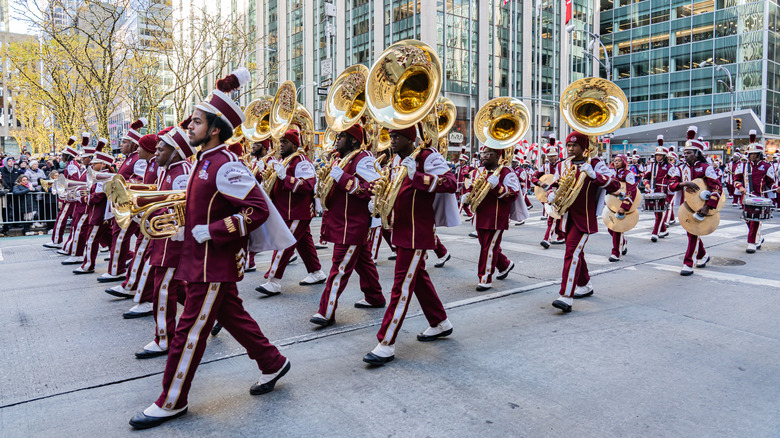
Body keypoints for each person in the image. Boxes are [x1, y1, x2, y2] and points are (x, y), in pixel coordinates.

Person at [130, 68, 291, 429]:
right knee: (232, 316)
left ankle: (172, 400)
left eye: (197, 121)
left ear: (215, 129)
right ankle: (273, 362)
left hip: (212, 264)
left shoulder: (224, 165)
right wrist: (181, 227)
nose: (189, 125)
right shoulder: (203, 161)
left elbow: (257, 210)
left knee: (188, 333)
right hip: (200, 260)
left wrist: (214, 230)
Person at [362, 124, 460, 366]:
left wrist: (417, 176)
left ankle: (386, 343)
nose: (392, 141)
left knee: (401, 287)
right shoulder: (396, 160)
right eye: (391, 136)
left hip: (417, 233)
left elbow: (451, 183)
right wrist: (378, 200)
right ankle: (440, 322)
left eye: (396, 136)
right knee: (418, 280)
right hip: (402, 230)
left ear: (410, 139)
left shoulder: (427, 156)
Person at [310, 124, 386, 326]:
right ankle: (375, 297)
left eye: (341, 136)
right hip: (342, 222)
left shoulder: (364, 159)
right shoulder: (342, 159)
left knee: (340, 268)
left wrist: (343, 178)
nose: (337, 140)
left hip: (352, 224)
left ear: (353, 140)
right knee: (363, 262)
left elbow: (374, 189)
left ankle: (326, 311)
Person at [134, 126, 194, 359]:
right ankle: (213, 315)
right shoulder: (168, 169)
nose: (156, 152)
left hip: (174, 238)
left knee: (163, 288)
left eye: (161, 149)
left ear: (176, 151)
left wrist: (153, 213)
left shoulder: (182, 172)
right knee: (174, 286)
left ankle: (164, 338)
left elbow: (183, 210)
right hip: (164, 238)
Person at [548, 132, 620, 313]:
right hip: (565, 216)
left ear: (584, 147)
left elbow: (615, 185)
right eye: (568, 145)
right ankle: (585, 284)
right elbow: (556, 184)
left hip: (584, 217)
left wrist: (594, 175)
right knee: (576, 252)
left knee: (571, 253)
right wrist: (550, 193)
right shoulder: (563, 164)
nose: (570, 149)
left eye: (575, 146)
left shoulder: (595, 163)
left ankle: (566, 296)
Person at [256, 128, 325, 296]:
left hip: (297, 211)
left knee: (283, 243)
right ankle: (316, 272)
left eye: (285, 142)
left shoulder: (301, 161)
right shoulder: (284, 160)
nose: (281, 145)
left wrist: (284, 178)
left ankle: (273, 281)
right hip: (286, 211)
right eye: (280, 142)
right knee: (304, 243)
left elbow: (307, 185)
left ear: (295, 145)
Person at [464, 145, 521, 291]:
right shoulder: (479, 171)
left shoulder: (507, 172)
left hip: (497, 217)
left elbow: (513, 194)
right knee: (486, 246)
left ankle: (485, 278)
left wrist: (498, 187)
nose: (484, 156)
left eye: (489, 153)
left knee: (488, 248)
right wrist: (467, 195)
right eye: (483, 153)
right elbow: (472, 187)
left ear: (497, 156)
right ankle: (505, 265)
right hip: (480, 215)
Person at [668, 126, 722, 276]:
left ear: (697, 153)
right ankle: (702, 255)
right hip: (686, 206)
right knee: (691, 232)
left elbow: (717, 187)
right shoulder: (680, 169)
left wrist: (708, 206)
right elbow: (671, 185)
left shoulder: (706, 168)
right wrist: (684, 184)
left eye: (689, 153)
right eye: (685, 153)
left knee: (692, 234)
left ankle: (688, 263)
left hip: (702, 206)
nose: (686, 155)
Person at [102, 119, 148, 287]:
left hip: (130, 204)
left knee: (120, 236)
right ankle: (131, 263)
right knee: (130, 235)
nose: (120, 145)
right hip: (124, 204)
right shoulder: (130, 158)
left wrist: (120, 185)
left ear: (133, 144)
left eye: (124, 142)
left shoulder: (138, 159)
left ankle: (117, 270)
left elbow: (140, 180)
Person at [72, 149, 115, 274]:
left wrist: (83, 198)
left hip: (99, 214)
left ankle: (88, 265)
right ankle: (129, 255)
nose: (92, 165)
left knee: (91, 240)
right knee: (110, 239)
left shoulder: (105, 177)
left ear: (104, 164)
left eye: (95, 163)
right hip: (100, 213)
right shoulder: (100, 175)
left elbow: (98, 196)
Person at [734, 130, 776, 253]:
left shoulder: (767, 166)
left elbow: (770, 182)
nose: (751, 156)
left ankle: (751, 242)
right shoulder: (743, 165)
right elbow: (736, 180)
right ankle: (759, 237)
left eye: (754, 154)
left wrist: (776, 187)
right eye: (750, 154)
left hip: (760, 197)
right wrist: (740, 187)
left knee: (755, 220)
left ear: (759, 154)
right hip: (746, 196)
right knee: (748, 219)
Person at [531, 137, 565, 248]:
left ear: (557, 156)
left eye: (554, 156)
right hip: (550, 195)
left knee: (557, 216)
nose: (552, 158)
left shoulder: (562, 165)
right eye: (550, 156)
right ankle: (552, 237)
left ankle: (556, 237)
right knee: (553, 216)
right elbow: (533, 177)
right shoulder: (544, 166)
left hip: (562, 194)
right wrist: (540, 183)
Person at [607, 154, 638, 262]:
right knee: (610, 228)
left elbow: (631, 190)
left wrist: (624, 206)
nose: (616, 162)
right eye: (615, 160)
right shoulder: (611, 173)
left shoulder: (628, 174)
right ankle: (623, 242)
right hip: (612, 203)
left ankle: (616, 252)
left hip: (622, 204)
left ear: (624, 162)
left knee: (617, 228)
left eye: (619, 160)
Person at [642, 136, 673, 242]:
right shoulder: (652, 166)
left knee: (659, 213)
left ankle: (655, 233)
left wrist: (669, 189)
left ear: (664, 156)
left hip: (664, 192)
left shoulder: (669, 167)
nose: (658, 157)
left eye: (660, 155)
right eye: (657, 155)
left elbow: (673, 180)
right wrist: (646, 184)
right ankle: (663, 230)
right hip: (653, 191)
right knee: (656, 212)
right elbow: (645, 177)